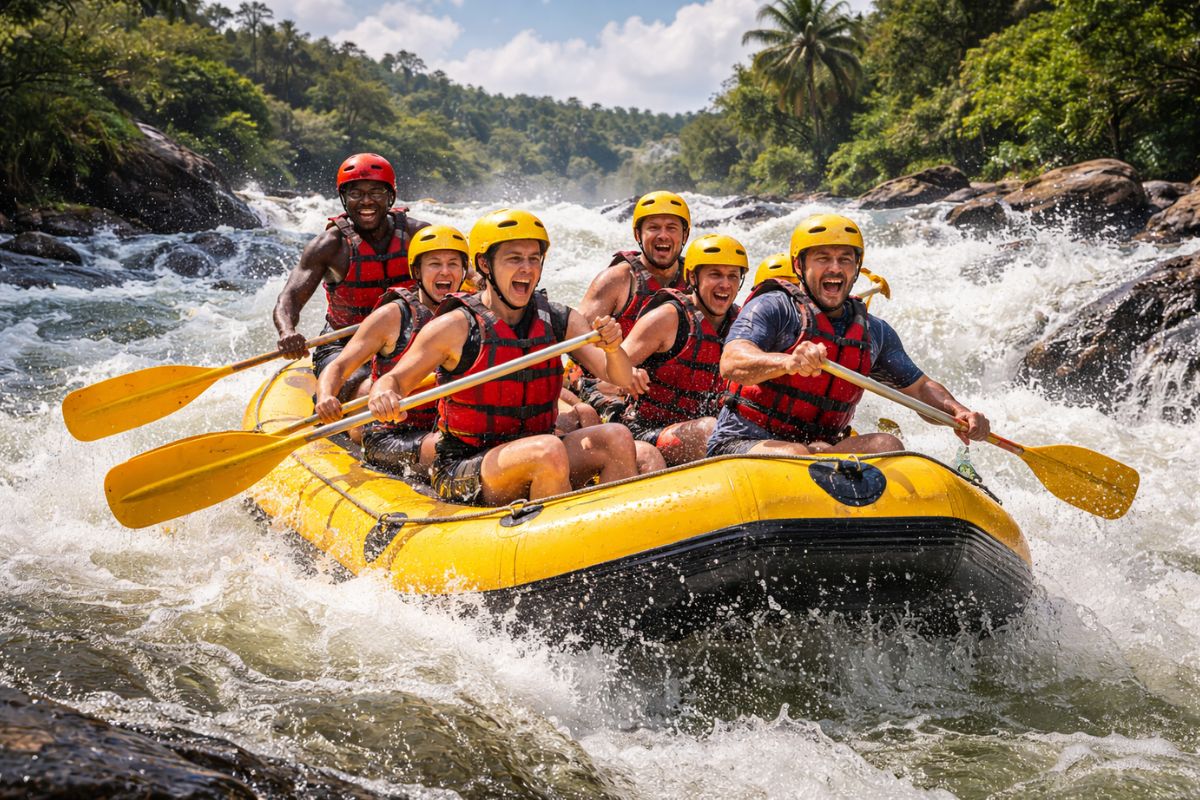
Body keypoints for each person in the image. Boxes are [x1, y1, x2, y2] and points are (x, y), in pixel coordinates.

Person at [368, 209, 639, 505]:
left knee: (617, 437)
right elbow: (393, 380)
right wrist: (383, 395)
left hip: (537, 447)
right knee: (546, 451)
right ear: (485, 264)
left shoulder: (561, 319)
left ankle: (609, 535)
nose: (527, 268)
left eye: (533, 258)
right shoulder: (455, 326)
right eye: (514, 258)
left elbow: (621, 378)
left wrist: (613, 349)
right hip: (465, 465)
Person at [709, 213, 990, 457]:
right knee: (795, 454)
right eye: (823, 258)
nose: (835, 268)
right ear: (798, 266)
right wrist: (787, 363)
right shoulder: (774, 307)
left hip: (821, 448)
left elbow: (919, 389)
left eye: (845, 259)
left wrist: (957, 410)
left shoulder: (874, 331)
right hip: (744, 441)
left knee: (887, 444)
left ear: (856, 268)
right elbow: (732, 362)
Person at [272, 153, 429, 401]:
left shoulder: (418, 235)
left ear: (391, 196)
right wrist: (287, 331)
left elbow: (459, 273)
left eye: (376, 192)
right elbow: (289, 297)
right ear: (344, 199)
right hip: (344, 343)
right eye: (356, 194)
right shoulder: (330, 246)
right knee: (360, 385)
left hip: (408, 338)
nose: (366, 201)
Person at [313, 224, 468, 473]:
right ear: (417, 271)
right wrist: (326, 396)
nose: (445, 272)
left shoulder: (471, 314)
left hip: (448, 424)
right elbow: (340, 366)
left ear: (464, 271)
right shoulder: (392, 315)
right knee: (453, 447)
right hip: (393, 432)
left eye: (453, 264)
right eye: (434, 264)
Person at [620, 233, 747, 466]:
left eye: (733, 276)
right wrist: (627, 374)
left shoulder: (743, 322)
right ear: (692, 277)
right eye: (715, 274)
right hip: (646, 430)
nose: (725, 284)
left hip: (709, 428)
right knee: (710, 431)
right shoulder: (668, 318)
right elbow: (612, 366)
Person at [573, 190, 691, 420]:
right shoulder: (617, 279)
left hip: (665, 385)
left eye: (671, 228)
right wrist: (621, 372)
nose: (663, 235)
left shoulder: (695, 280)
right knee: (621, 416)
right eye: (654, 227)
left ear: (684, 235)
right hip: (603, 383)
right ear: (639, 234)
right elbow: (577, 342)